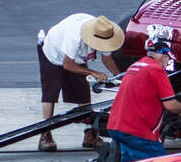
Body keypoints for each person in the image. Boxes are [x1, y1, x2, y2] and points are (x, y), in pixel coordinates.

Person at [37, 14, 122, 152]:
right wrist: (93, 73)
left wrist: (121, 78)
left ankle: (90, 133)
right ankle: (45, 133)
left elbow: (108, 59)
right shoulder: (74, 36)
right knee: (50, 92)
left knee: (83, 92)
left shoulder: (104, 32)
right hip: (53, 53)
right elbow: (67, 65)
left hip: (76, 58)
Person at [106, 36, 181, 162]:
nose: (167, 64)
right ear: (165, 57)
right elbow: (170, 105)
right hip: (135, 131)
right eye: (168, 60)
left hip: (116, 126)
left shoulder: (135, 66)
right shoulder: (156, 70)